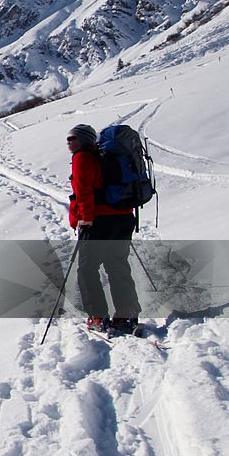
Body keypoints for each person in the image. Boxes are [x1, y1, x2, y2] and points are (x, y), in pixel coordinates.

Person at [67, 124, 140, 332]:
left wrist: (86, 219)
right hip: (123, 218)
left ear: (85, 140)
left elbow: (84, 191)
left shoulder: (83, 158)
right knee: (117, 265)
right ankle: (127, 313)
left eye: (73, 138)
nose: (69, 142)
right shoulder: (105, 156)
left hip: (98, 221)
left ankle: (98, 317)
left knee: (87, 270)